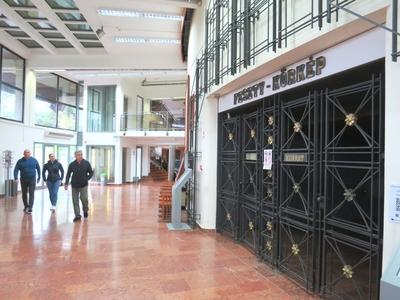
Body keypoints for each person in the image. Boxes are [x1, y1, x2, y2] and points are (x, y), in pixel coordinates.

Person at [65, 150, 93, 222]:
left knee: (84, 199)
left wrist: (86, 179)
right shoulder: (72, 164)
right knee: (75, 201)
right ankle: (77, 215)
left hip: (83, 185)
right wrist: (66, 183)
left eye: (81, 154)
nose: (80, 156)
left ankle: (85, 210)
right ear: (75, 156)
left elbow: (91, 172)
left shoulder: (86, 163)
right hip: (74, 185)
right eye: (78, 155)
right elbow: (68, 174)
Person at [13, 149, 41, 214]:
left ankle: (30, 207)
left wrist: (39, 177)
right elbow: (16, 170)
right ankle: (26, 206)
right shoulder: (20, 161)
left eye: (28, 153)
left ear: (30, 154)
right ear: (23, 154)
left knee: (31, 193)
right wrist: (16, 178)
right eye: (25, 153)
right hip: (23, 179)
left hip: (32, 179)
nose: (27, 154)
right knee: (24, 193)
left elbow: (38, 169)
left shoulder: (34, 160)